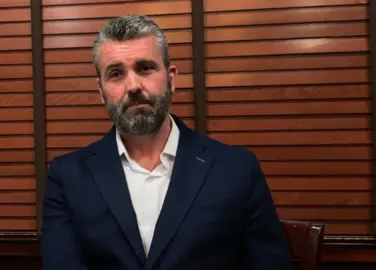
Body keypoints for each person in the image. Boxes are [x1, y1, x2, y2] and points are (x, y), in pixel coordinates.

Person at [41, 14, 291, 270]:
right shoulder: (68, 176)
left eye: (145, 68)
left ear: (171, 79)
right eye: (116, 74)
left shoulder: (238, 170)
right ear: (101, 91)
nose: (133, 86)